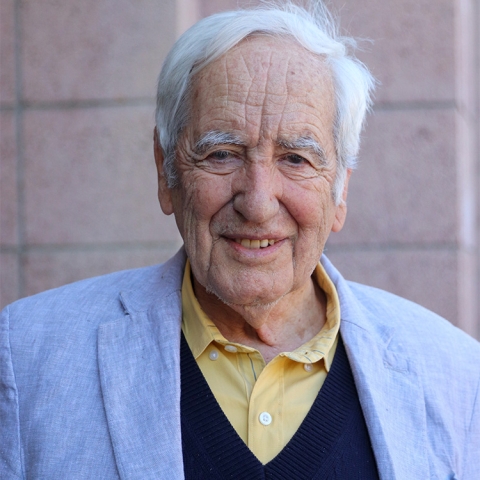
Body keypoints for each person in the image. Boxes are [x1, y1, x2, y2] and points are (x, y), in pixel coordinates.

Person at [1, 2, 479, 479]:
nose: (257, 202)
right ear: (165, 171)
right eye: (222, 153)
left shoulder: (458, 379)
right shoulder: (26, 356)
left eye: (295, 158)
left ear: (340, 191)